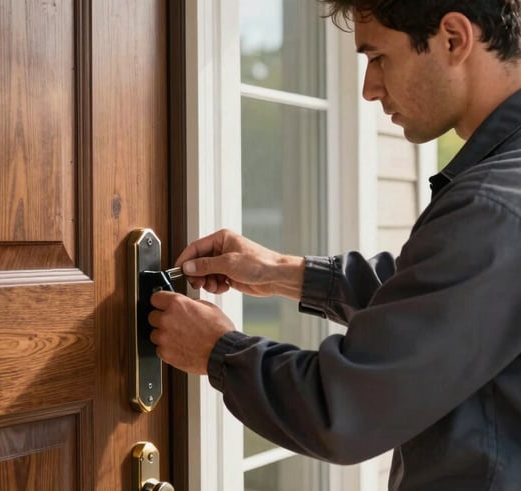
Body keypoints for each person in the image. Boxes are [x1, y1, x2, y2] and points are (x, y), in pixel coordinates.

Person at [147, 1, 521, 489]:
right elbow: (444, 302)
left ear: (453, 39)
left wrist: (218, 350)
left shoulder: (491, 207)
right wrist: (279, 270)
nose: (369, 89)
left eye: (378, 57)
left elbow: (346, 410)